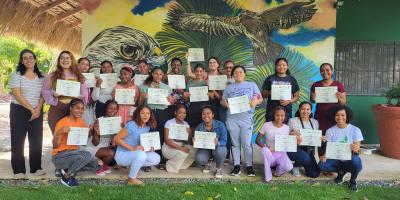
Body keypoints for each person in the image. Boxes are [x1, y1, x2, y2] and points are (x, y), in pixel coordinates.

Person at [9, 49, 45, 178]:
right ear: (21, 61)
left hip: (37, 110)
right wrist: (31, 109)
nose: (28, 60)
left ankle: (36, 168)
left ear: (35, 60)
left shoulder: (42, 77)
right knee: (18, 140)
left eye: (31, 57)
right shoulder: (16, 75)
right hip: (19, 110)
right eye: (25, 58)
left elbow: (43, 95)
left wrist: (38, 109)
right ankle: (18, 170)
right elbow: (17, 95)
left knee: (36, 140)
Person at [221, 65, 263, 176]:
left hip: (246, 119)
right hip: (232, 119)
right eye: (236, 72)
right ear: (233, 74)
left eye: (240, 72)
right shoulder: (229, 88)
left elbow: (260, 98)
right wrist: (226, 103)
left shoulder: (252, 85)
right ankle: (236, 166)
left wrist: (255, 102)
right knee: (235, 144)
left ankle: (249, 166)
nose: (238, 74)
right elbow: (222, 101)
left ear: (244, 74)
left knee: (246, 144)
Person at [51, 99, 101, 187]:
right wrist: (59, 133)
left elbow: (83, 141)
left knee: (96, 166)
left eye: (82, 109)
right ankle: (67, 176)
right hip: (59, 156)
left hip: (74, 154)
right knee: (87, 155)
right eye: (77, 108)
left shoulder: (81, 121)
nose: (80, 111)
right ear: (70, 108)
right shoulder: (62, 122)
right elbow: (55, 146)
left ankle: (63, 169)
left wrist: (90, 130)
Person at [42, 51, 89, 134]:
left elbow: (84, 94)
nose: (65, 60)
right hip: (57, 109)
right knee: (57, 135)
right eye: (62, 58)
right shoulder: (52, 75)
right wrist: (52, 93)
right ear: (59, 60)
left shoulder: (78, 75)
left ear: (72, 60)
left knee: (71, 137)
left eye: (67, 58)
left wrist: (80, 97)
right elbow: (45, 90)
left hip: (73, 111)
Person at [319, 105, 363, 192]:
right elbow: (329, 149)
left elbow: (358, 150)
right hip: (336, 159)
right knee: (322, 164)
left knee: (356, 161)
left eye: (343, 115)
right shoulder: (330, 131)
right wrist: (324, 156)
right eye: (337, 115)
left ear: (347, 116)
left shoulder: (355, 130)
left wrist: (355, 148)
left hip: (349, 158)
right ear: (334, 117)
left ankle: (353, 181)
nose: (340, 117)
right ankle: (341, 172)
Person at [114, 105, 160, 186]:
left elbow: (142, 143)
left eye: (148, 113)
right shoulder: (132, 125)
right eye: (142, 113)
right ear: (138, 114)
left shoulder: (147, 127)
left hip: (134, 154)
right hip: (123, 154)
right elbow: (117, 138)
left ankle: (134, 167)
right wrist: (132, 148)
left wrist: (148, 148)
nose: (145, 115)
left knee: (156, 158)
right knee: (141, 154)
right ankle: (131, 179)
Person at [139, 67, 174, 170]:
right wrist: (143, 97)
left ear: (163, 75)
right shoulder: (144, 86)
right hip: (148, 113)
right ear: (152, 74)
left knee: (160, 134)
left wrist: (171, 100)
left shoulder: (167, 88)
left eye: (160, 74)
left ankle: (159, 158)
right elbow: (139, 103)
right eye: (156, 74)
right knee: (148, 134)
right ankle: (147, 161)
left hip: (162, 112)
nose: (158, 76)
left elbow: (170, 102)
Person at [310, 63, 346, 157]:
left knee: (334, 137)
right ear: (320, 72)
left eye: (327, 70)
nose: (325, 72)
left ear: (332, 71)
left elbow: (343, 103)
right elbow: (312, 101)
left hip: (334, 117)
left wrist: (340, 98)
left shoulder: (339, 85)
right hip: (320, 116)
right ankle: (323, 164)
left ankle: (332, 164)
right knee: (321, 138)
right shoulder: (315, 85)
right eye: (322, 70)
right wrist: (313, 98)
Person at [255, 106, 294, 182]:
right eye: (277, 115)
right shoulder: (266, 125)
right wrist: (265, 147)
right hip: (269, 155)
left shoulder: (286, 128)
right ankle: (268, 177)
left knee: (289, 167)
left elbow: (287, 144)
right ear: (274, 115)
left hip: (281, 154)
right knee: (265, 150)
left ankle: (278, 172)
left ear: (285, 116)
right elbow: (257, 140)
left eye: (282, 116)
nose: (279, 118)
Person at [82, 100, 120, 175]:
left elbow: (115, 141)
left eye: (115, 108)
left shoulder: (117, 122)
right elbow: (95, 143)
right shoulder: (99, 121)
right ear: (106, 109)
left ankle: (104, 166)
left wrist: (119, 132)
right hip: (94, 147)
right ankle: (98, 167)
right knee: (111, 153)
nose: (113, 110)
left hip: (105, 146)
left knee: (117, 150)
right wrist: (96, 132)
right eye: (110, 108)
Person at [287, 102, 321, 178]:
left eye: (308, 109)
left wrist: (320, 138)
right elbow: (285, 135)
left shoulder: (315, 122)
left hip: (308, 149)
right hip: (294, 148)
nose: (305, 111)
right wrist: (292, 133)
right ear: (299, 110)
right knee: (305, 158)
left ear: (311, 111)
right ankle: (295, 166)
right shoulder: (292, 120)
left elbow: (316, 137)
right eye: (303, 109)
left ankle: (302, 162)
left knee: (314, 174)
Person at [262, 58, 300, 123]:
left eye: (284, 65)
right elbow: (263, 94)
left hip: (286, 112)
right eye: (279, 65)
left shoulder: (292, 79)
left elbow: (296, 97)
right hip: (271, 111)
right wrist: (273, 90)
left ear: (287, 66)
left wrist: (289, 101)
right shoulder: (270, 78)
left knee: (284, 132)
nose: (281, 67)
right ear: (276, 67)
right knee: (270, 131)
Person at [195, 105, 227, 178]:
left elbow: (224, 141)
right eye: (204, 113)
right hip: (206, 149)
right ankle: (208, 162)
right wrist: (195, 142)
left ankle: (218, 168)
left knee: (221, 151)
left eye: (208, 113)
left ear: (213, 115)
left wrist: (218, 142)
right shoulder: (199, 127)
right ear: (201, 115)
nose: (206, 115)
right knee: (199, 159)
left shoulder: (220, 125)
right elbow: (198, 144)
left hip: (217, 148)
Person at [162, 104, 195, 173]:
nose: (182, 115)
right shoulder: (169, 123)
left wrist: (190, 133)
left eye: (184, 113)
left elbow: (187, 141)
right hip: (168, 147)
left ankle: (181, 165)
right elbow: (167, 140)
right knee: (183, 152)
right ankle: (170, 166)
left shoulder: (185, 123)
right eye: (180, 112)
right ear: (175, 113)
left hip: (181, 145)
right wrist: (181, 148)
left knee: (195, 150)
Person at [183, 64, 209, 128]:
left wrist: (210, 94)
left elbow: (212, 96)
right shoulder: (190, 83)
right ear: (194, 72)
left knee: (203, 128)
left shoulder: (207, 83)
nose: (199, 73)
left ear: (203, 72)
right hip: (193, 109)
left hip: (204, 108)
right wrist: (185, 96)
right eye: (197, 71)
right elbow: (187, 99)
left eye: (201, 71)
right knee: (193, 128)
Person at [220, 60, 234, 164]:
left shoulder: (238, 80)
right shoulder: (220, 80)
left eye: (231, 68)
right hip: (223, 108)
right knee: (224, 131)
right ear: (223, 69)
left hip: (235, 110)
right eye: (227, 68)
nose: (229, 69)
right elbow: (220, 95)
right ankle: (225, 155)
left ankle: (235, 158)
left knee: (233, 132)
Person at [77, 57, 96, 126]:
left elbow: (92, 95)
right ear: (78, 65)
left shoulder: (91, 78)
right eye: (83, 64)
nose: (85, 66)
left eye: (87, 65)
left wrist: (96, 83)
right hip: (77, 107)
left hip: (88, 107)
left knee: (89, 127)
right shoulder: (74, 77)